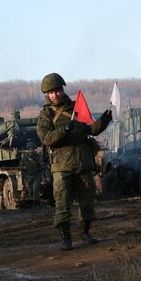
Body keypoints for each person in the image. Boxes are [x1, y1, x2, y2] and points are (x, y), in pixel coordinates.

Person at [36, 72, 112, 251]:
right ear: (47, 94)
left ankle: (86, 233)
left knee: (87, 202)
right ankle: (66, 239)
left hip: (83, 163)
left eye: (57, 91)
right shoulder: (45, 115)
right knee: (63, 204)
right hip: (62, 167)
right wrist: (64, 130)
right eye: (51, 92)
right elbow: (47, 139)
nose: (55, 95)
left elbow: (90, 130)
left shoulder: (75, 109)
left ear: (62, 90)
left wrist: (103, 121)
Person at [20, 141, 42, 206]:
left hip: (36, 176)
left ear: (34, 149)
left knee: (35, 189)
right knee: (30, 191)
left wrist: (40, 164)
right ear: (28, 150)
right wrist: (22, 167)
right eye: (29, 149)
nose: (31, 151)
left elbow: (42, 165)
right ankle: (33, 203)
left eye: (32, 149)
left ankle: (36, 203)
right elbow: (21, 165)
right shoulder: (24, 157)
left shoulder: (37, 156)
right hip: (28, 176)